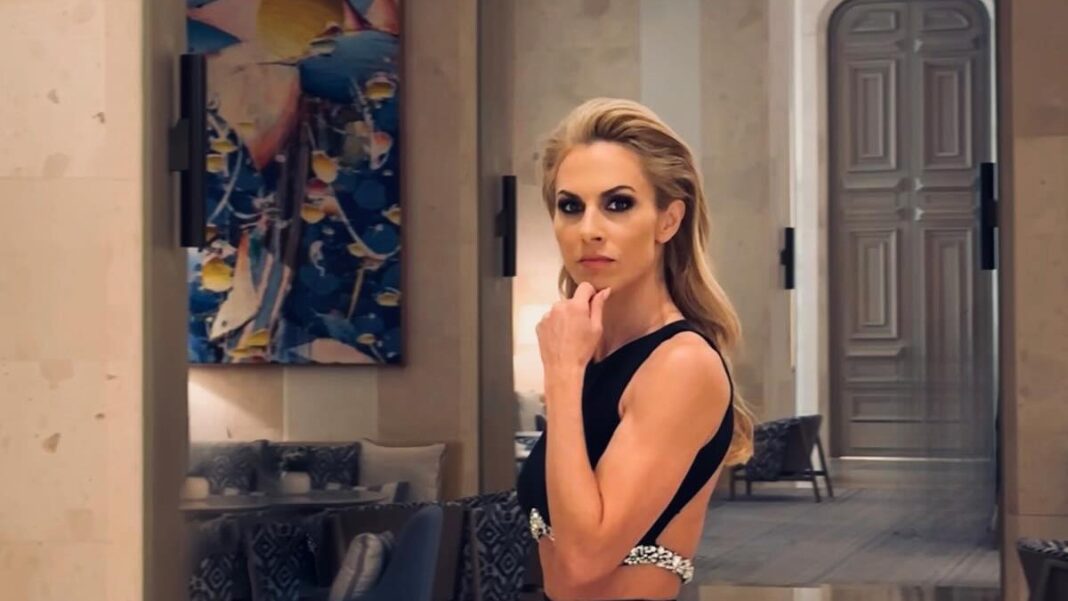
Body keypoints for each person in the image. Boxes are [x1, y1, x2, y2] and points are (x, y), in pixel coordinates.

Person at [515, 98, 757, 601]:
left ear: (668, 221)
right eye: (570, 206)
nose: (589, 229)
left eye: (618, 204)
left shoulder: (681, 364)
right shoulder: (593, 352)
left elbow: (584, 562)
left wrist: (562, 375)